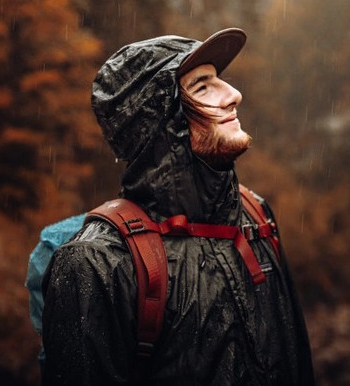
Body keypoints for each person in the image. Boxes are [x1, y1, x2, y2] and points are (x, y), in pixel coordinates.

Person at [41, 28, 315, 385]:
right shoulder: (96, 264)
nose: (234, 94)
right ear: (159, 121)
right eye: (203, 87)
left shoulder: (255, 215)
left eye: (220, 81)